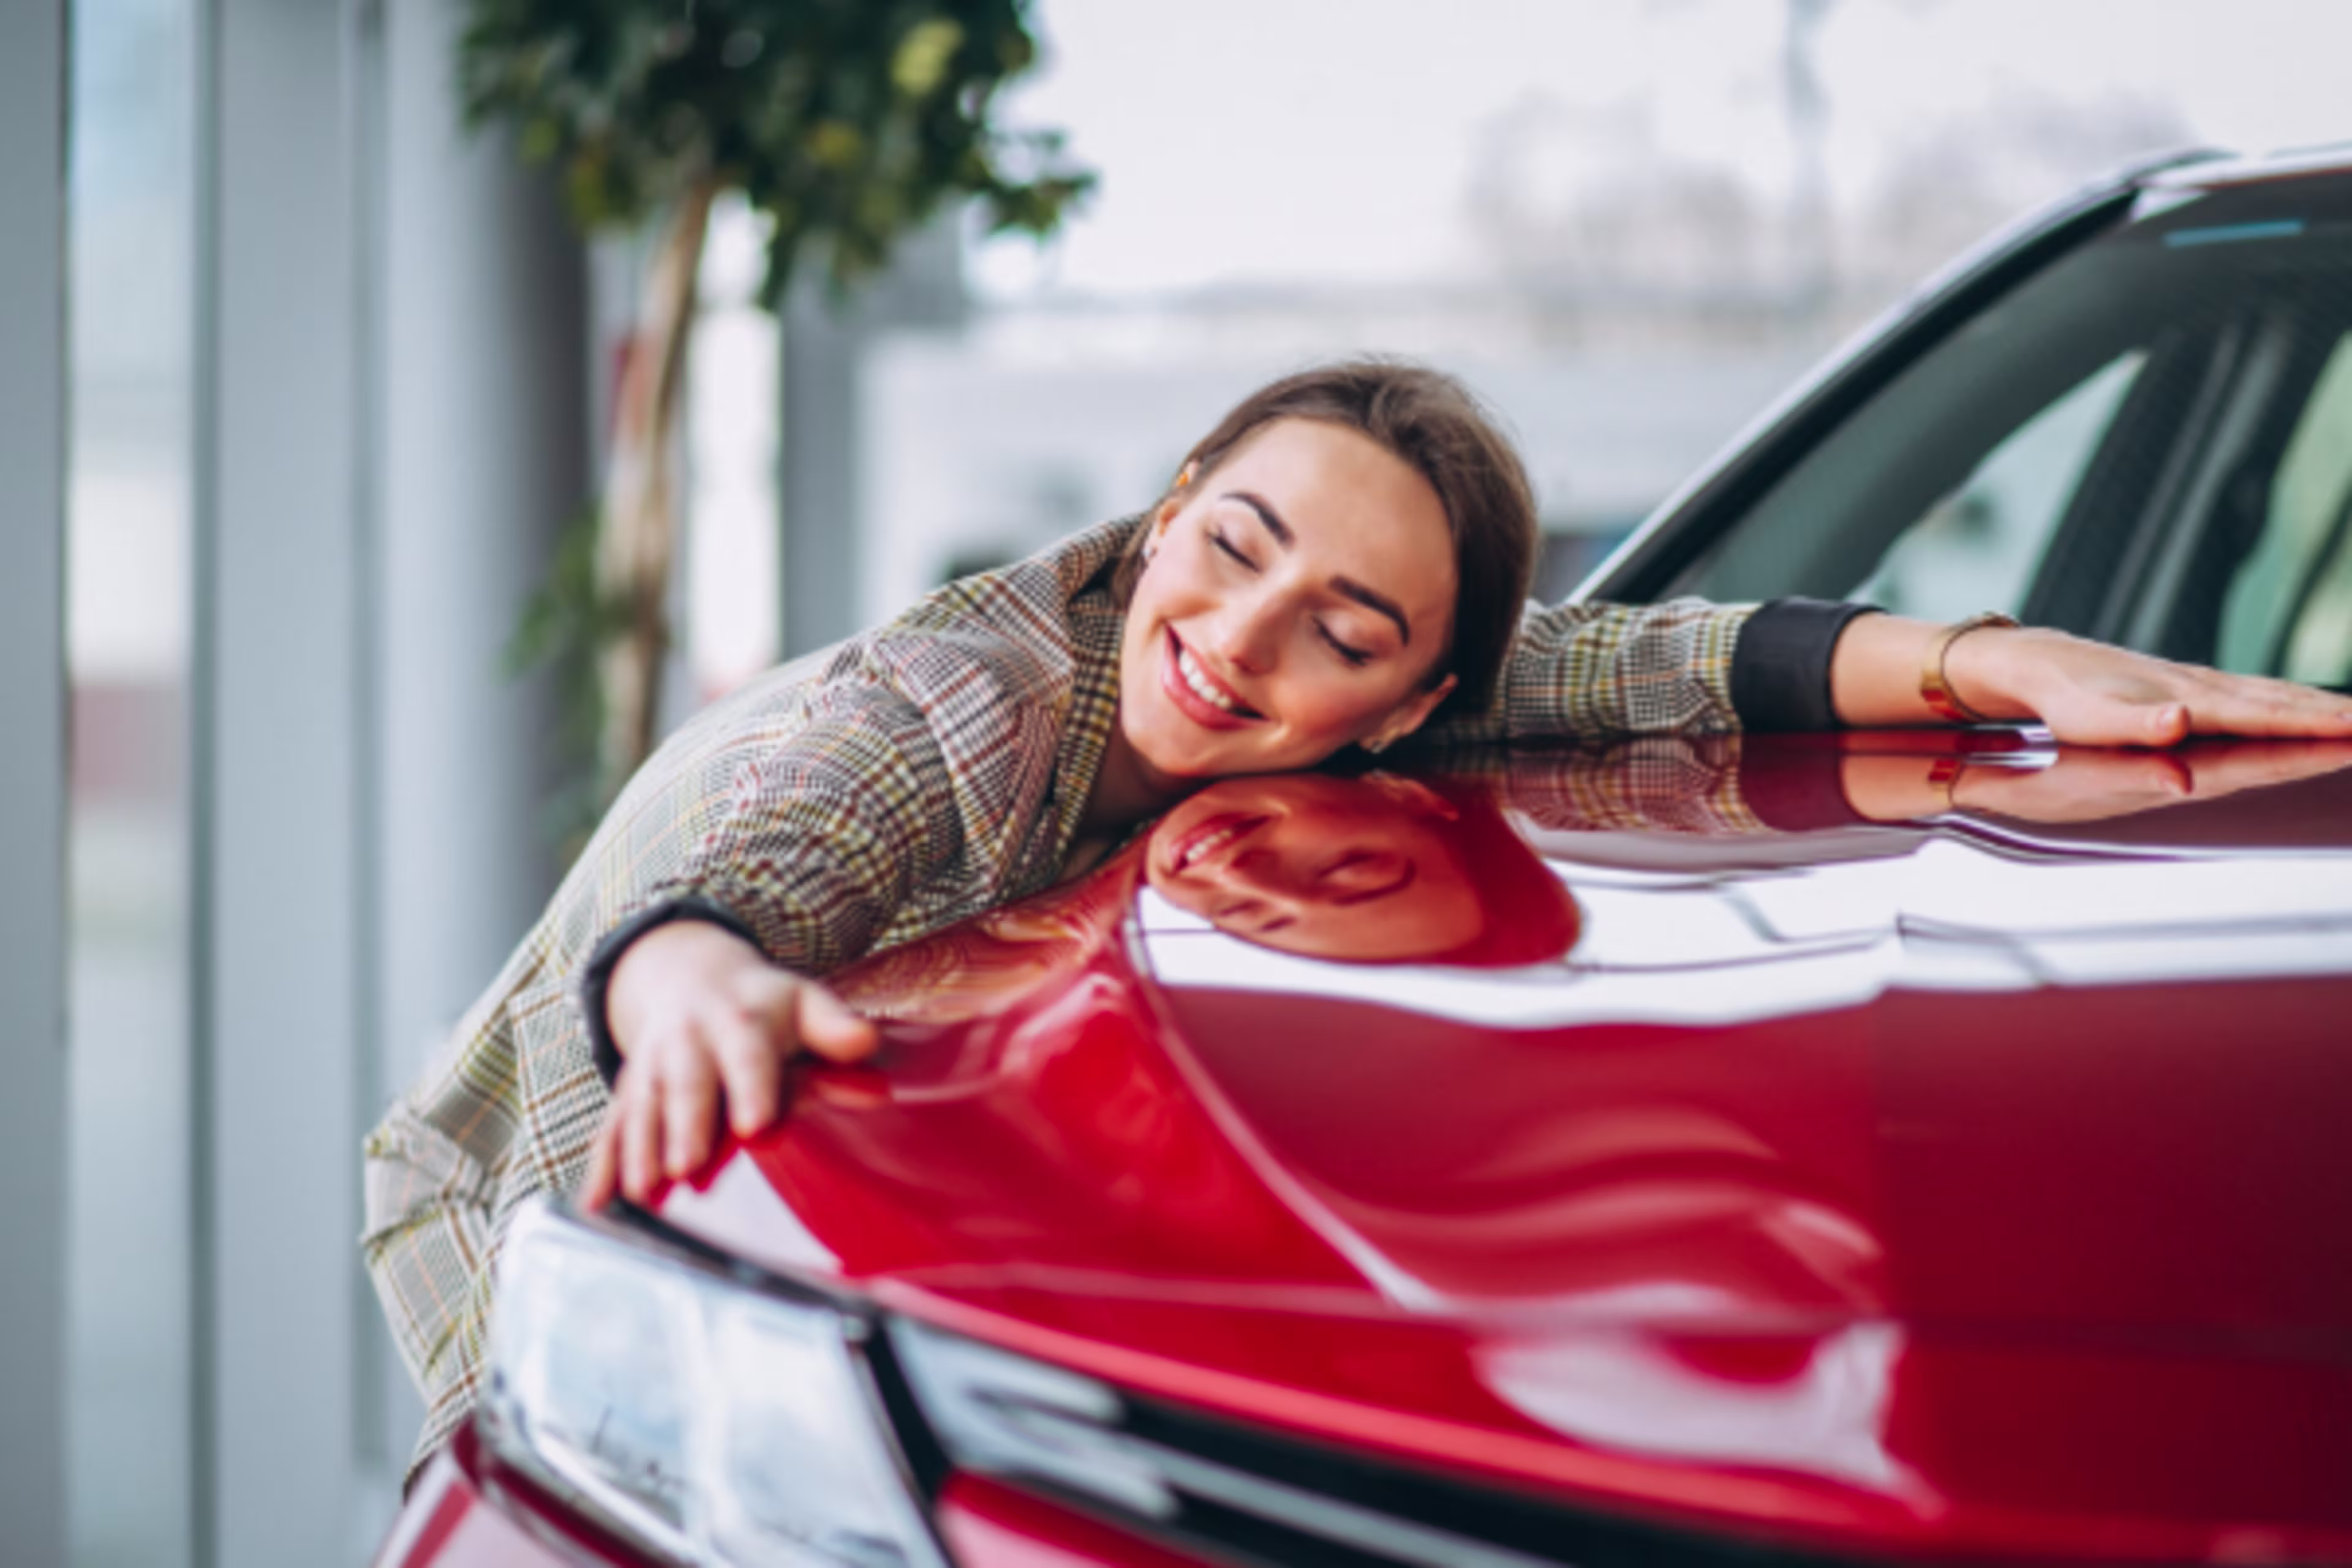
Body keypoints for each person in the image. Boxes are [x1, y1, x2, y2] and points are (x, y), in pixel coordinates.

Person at [361, 358, 2352, 1480]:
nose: (1238, 637)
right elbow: (779, 844)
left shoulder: (1416, 687)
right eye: (1229, 547)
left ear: (1414, 701)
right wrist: (694, 968)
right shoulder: (952, 713)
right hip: (536, 1162)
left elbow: (1642, 664)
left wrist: (2000, 667)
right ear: (1168, 510)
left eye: (1346, 627)